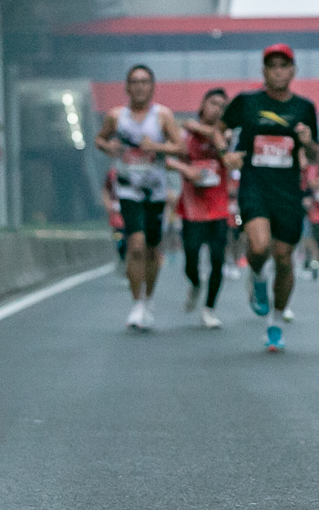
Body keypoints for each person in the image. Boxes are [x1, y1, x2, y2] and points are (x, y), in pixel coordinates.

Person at [224, 45, 319, 350]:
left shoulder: (304, 108)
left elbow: (315, 155)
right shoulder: (247, 102)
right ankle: (256, 275)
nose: (278, 71)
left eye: (283, 66)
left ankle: (276, 322)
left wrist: (308, 142)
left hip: (288, 191)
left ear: (293, 71)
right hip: (255, 185)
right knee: (259, 246)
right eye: (272, 66)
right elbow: (219, 129)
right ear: (264, 71)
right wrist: (225, 154)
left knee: (283, 259)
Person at [94, 64, 187, 330]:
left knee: (152, 249)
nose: (139, 87)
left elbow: (181, 148)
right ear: (126, 87)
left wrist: (155, 147)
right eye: (134, 82)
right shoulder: (116, 116)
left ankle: (148, 298)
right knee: (135, 245)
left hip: (155, 191)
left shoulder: (162, 116)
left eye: (144, 82)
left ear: (152, 87)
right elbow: (99, 139)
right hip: (128, 189)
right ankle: (136, 303)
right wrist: (108, 146)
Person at [170, 87, 236, 329]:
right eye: (213, 103)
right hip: (192, 208)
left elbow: (227, 150)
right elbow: (166, 158)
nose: (217, 109)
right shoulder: (184, 136)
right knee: (191, 258)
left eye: (223, 106)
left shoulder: (226, 135)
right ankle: (196, 283)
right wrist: (185, 169)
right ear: (202, 106)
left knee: (218, 259)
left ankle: (209, 308)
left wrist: (202, 129)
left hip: (218, 208)